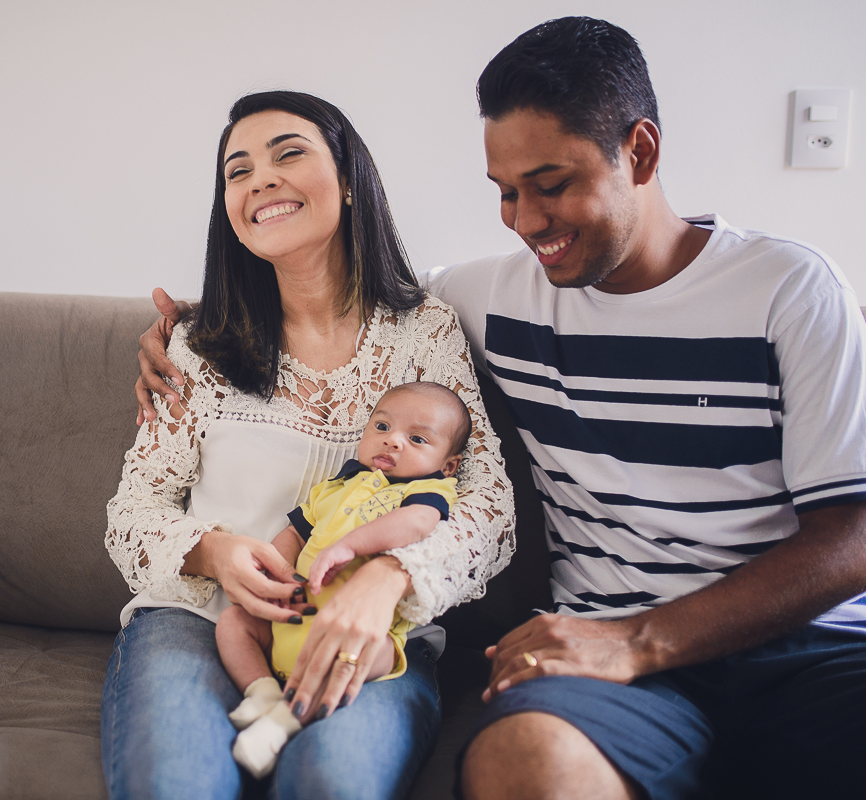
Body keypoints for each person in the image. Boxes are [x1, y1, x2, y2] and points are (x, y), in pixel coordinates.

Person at [135, 19, 866, 800]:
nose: (524, 223)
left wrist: (638, 641)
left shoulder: (787, 289)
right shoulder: (483, 299)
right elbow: (340, 289)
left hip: (806, 651)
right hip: (598, 670)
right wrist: (185, 322)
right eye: (505, 193)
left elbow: (853, 533)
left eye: (550, 186)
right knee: (522, 766)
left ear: (642, 153)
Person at [103, 90, 515, 800]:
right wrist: (213, 552)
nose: (259, 179)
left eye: (288, 154)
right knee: (175, 785)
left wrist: (391, 578)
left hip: (370, 621)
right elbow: (133, 508)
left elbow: (489, 505)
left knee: (332, 784)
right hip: (199, 616)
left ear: (350, 179)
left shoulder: (427, 332)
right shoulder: (196, 347)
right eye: (238, 171)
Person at [219, 381, 470, 778]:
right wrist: (273, 569)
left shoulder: (427, 490)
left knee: (373, 655)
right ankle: (262, 691)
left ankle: (283, 722)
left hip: (362, 629)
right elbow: (296, 532)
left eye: (417, 438)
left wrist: (350, 546)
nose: (393, 442)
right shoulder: (334, 487)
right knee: (233, 623)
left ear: (449, 464)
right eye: (382, 427)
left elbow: (418, 524)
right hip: (297, 607)